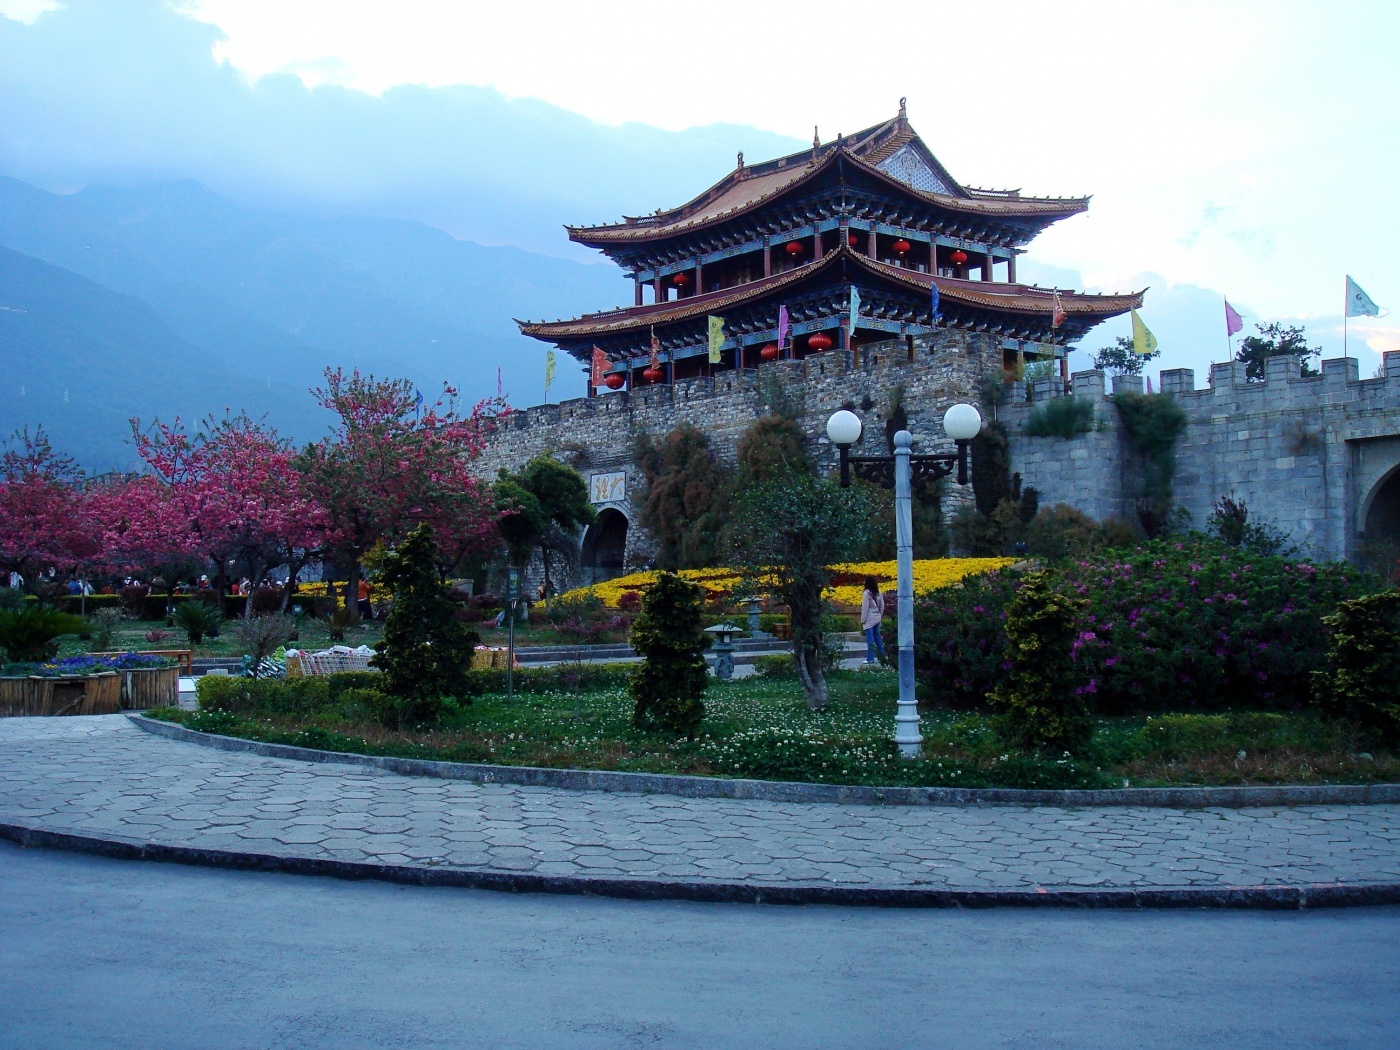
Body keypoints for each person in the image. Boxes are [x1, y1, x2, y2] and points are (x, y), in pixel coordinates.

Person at [859, 575, 887, 665]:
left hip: (869, 619)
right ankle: (882, 657)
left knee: (870, 639)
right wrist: (880, 615)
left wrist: (862, 620)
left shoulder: (866, 593)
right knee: (878, 638)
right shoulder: (878, 592)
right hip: (877, 618)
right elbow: (882, 605)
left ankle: (870, 658)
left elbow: (865, 608)